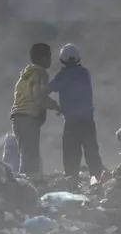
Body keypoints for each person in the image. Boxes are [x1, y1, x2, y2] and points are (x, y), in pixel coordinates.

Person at [49, 43, 106, 182]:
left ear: (62, 59)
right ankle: (97, 179)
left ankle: (72, 180)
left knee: (71, 153)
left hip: (72, 121)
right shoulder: (85, 73)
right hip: (88, 119)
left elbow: (49, 88)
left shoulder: (63, 75)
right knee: (91, 151)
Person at [10, 42, 59, 178]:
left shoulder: (26, 74)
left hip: (17, 117)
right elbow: (39, 97)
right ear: (41, 58)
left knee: (26, 152)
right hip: (28, 117)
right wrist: (55, 105)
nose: (50, 60)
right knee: (30, 154)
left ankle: (26, 180)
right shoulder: (41, 74)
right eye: (48, 56)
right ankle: (27, 181)